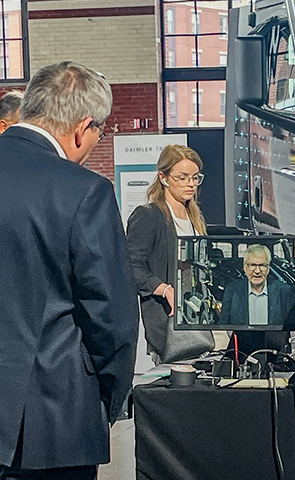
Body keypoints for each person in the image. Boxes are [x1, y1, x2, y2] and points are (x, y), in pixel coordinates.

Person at [0, 61, 138, 480]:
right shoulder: (84, 191)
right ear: (84, 127)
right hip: (49, 423)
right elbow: (111, 316)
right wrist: (109, 400)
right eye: (101, 132)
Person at [126, 144, 210, 365]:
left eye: (194, 177)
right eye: (182, 178)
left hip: (198, 319)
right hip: (169, 325)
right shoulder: (149, 216)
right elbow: (131, 266)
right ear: (163, 178)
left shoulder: (195, 217)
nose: (190, 184)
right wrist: (165, 290)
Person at [219, 244, 295, 326]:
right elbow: (224, 327)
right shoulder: (232, 290)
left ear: (268, 268)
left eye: (262, 265)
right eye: (252, 265)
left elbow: (292, 327)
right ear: (245, 267)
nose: (257, 271)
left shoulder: (284, 291)